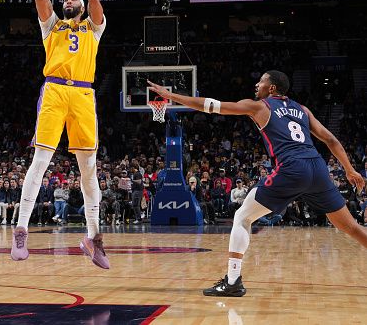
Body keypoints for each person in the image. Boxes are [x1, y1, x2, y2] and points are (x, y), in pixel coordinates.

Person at [148, 70, 366, 297]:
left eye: (261, 81)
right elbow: (330, 139)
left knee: (243, 217)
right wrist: (349, 169)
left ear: (271, 88)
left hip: (292, 168)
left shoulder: (260, 106)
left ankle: (233, 282)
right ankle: (232, 281)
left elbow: (210, 105)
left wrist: (171, 96)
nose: (257, 84)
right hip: (318, 168)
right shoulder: (302, 110)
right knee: (350, 227)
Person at [10, 0, 109, 269]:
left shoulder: (93, 28)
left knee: (88, 170)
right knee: (39, 162)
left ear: (81, 7)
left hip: (82, 96)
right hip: (54, 91)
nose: (69, 0)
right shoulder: (50, 26)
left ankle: (94, 238)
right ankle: (21, 229)